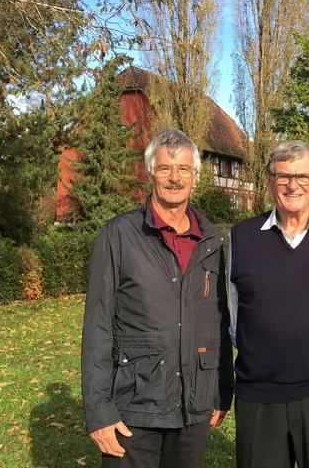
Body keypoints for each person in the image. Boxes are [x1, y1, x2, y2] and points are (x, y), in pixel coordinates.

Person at [81, 127, 233, 468]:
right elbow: (98, 325)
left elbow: (217, 319)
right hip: (135, 404)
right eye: (165, 168)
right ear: (150, 173)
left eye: (183, 169)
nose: (174, 178)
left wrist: (222, 389)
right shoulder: (119, 235)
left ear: (195, 176)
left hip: (194, 405)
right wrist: (99, 410)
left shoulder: (211, 241)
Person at [227, 140, 309, 468]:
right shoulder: (242, 237)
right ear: (270, 181)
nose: (293, 185)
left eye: (303, 177)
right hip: (258, 396)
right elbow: (232, 316)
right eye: (283, 176)